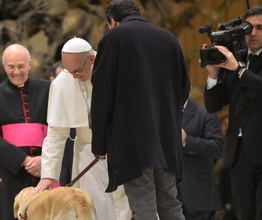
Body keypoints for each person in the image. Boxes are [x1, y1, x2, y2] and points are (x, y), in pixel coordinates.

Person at [90, 0, 190, 219]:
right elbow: (184, 89)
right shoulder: (169, 38)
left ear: (112, 21)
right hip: (167, 139)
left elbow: (102, 94)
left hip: (132, 140)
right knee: (171, 204)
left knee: (143, 206)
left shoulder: (113, 38)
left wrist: (99, 143)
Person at [36, 37, 131, 220]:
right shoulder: (63, 82)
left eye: (78, 71)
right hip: (89, 157)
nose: (74, 77)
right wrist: (48, 175)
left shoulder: (116, 70)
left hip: (122, 151)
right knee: (94, 209)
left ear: (92, 59)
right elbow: (56, 134)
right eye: (69, 71)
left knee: (125, 207)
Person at [203, 5, 262, 220]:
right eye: (249, 27)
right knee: (243, 215)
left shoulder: (237, 64)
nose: (253, 33)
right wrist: (213, 75)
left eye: (260, 27)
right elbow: (213, 105)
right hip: (238, 154)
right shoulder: (235, 59)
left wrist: (239, 69)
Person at [0, 44, 50, 220]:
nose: (16, 71)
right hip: (9, 174)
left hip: (44, 170)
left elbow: (57, 130)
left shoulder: (47, 90)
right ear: (4, 66)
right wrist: (26, 161)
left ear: (30, 64)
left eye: (21, 66)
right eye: (11, 67)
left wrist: (44, 160)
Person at [177, 100, 224, 220]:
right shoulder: (161, 113)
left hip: (198, 193)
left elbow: (218, 147)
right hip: (166, 194)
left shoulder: (205, 112)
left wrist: (187, 141)